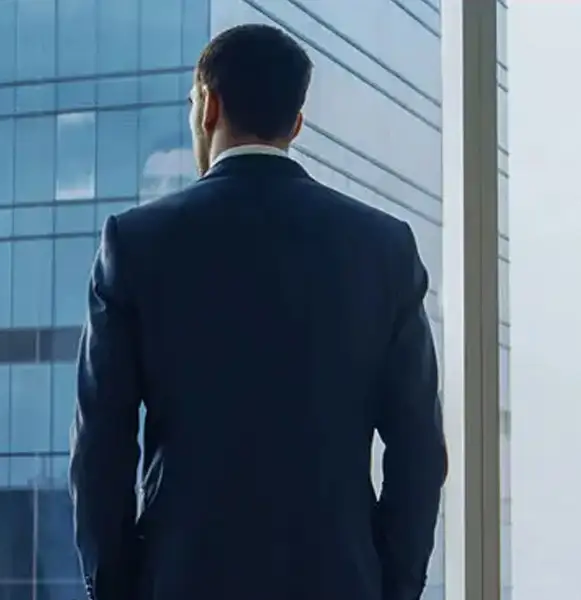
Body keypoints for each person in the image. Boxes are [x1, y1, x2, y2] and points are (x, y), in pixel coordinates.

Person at [68, 23, 447, 600]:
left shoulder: (135, 243)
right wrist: (390, 585)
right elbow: (418, 449)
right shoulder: (384, 247)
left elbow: (101, 448)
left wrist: (120, 588)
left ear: (209, 107)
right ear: (295, 124)